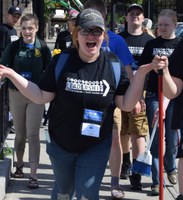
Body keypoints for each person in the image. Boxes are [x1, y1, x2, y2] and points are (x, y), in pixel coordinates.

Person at [0, 8, 154, 200]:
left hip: (96, 144)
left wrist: (140, 75)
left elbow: (126, 104)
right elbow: (40, 96)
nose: (91, 35)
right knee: (64, 190)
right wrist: (11, 74)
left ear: (104, 36)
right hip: (61, 143)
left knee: (88, 192)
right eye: (85, 31)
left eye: (97, 31)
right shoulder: (62, 61)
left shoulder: (113, 65)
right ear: (76, 34)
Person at [83, 0, 134, 199]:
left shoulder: (116, 41)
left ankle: (114, 182)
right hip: (83, 101)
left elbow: (128, 71)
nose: (91, 22)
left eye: (96, 16)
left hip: (110, 102)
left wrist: (135, 98)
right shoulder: (79, 38)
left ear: (104, 17)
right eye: (88, 16)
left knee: (114, 140)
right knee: (85, 141)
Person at [0, 13, 52, 189]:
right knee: (20, 133)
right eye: (24, 28)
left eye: (30, 28)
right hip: (16, 94)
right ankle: (20, 165)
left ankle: (33, 174)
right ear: (20, 30)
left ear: (36, 28)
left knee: (33, 134)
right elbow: (3, 67)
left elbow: (50, 72)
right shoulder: (13, 47)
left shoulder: (43, 48)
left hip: (36, 95)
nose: (27, 32)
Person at [140, 9, 180, 196]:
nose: (163, 28)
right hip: (155, 94)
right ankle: (157, 181)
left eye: (167, 25)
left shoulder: (179, 45)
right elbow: (143, 70)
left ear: (174, 25)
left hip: (174, 96)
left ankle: (171, 168)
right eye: (160, 24)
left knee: (172, 139)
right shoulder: (151, 45)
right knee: (156, 137)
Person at [118, 3, 154, 190]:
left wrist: (140, 96)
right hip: (121, 90)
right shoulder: (120, 39)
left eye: (138, 14)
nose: (135, 17)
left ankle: (137, 173)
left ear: (143, 18)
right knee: (123, 131)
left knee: (138, 132)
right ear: (126, 18)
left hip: (141, 91)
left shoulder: (149, 41)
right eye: (131, 14)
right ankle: (126, 161)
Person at [0, 6, 22, 133]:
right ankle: (4, 126)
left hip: (11, 69)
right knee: (4, 99)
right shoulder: (3, 29)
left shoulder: (13, 31)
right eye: (13, 16)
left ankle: (8, 123)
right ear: (7, 15)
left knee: (8, 100)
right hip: (4, 68)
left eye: (18, 17)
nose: (15, 19)